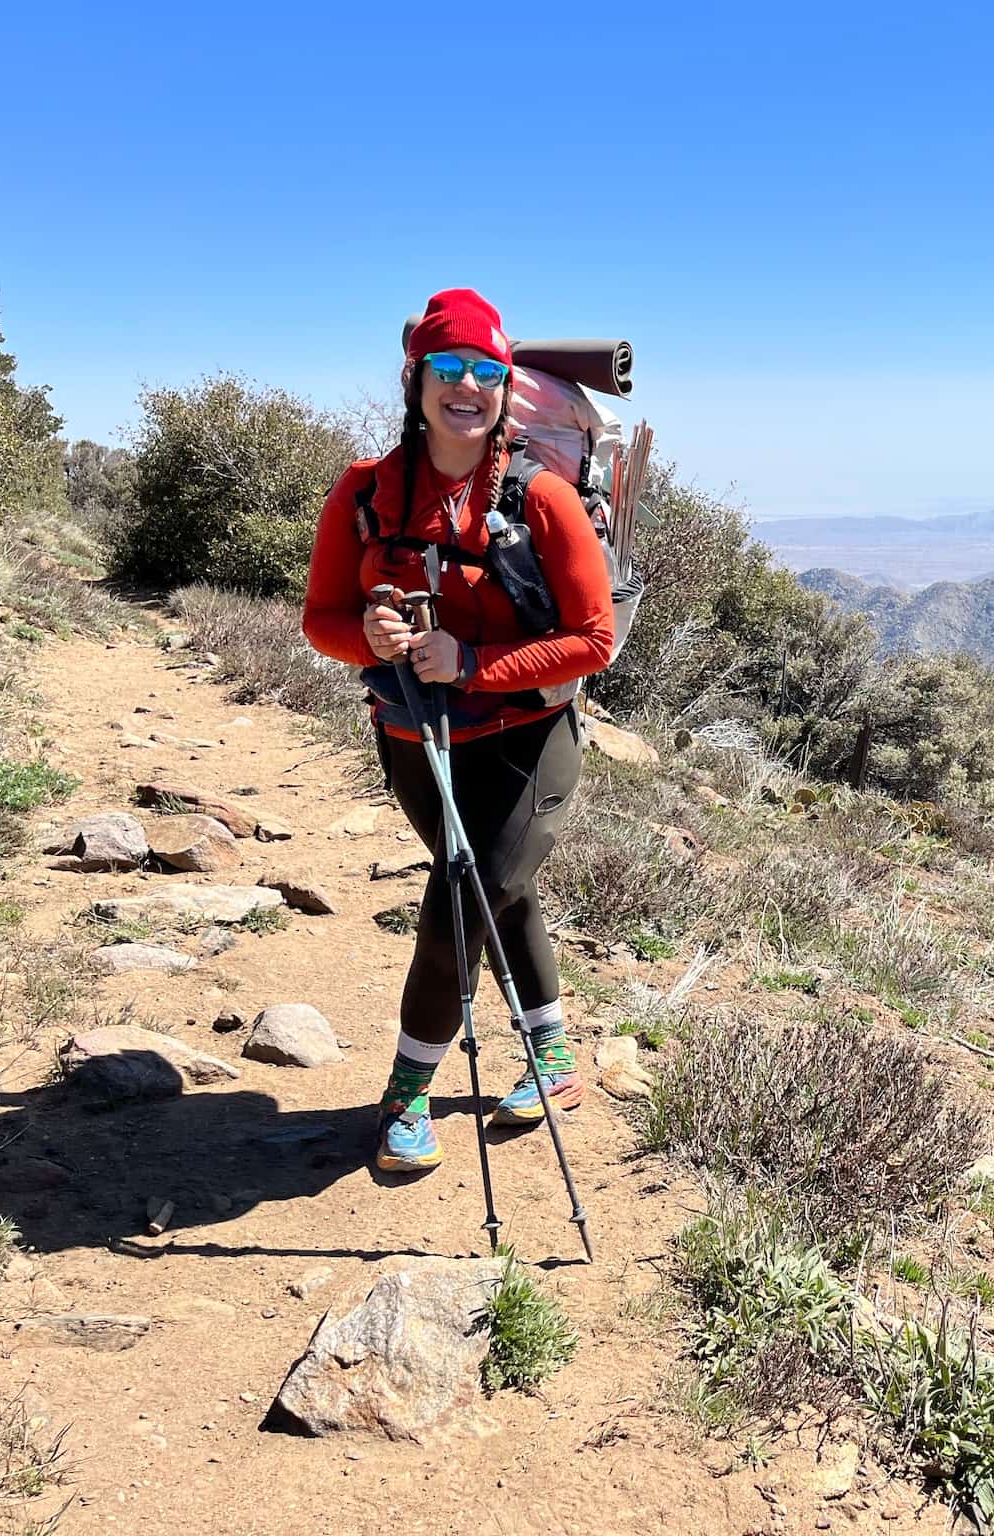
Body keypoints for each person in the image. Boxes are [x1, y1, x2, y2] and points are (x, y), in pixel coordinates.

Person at [302, 288, 614, 1173]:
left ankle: (405, 1095)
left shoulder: (543, 498)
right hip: (414, 740)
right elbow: (320, 618)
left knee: (456, 902)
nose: (467, 386)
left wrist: (473, 665)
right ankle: (553, 1058)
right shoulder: (365, 493)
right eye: (449, 368)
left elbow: (593, 642)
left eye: (486, 370)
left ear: (506, 387)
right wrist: (367, 635)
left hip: (529, 739)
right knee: (496, 889)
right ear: (417, 379)